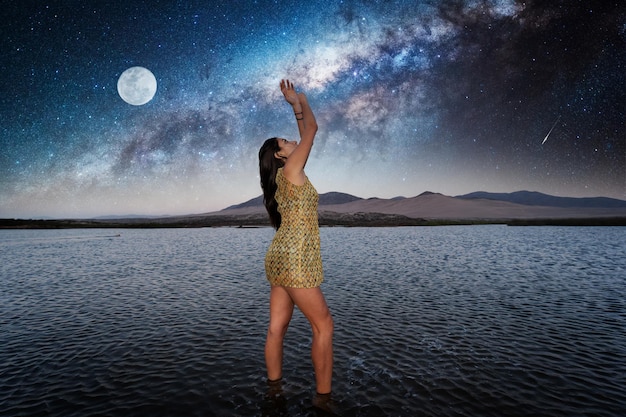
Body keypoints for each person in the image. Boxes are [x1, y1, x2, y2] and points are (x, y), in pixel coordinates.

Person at [258, 80, 335, 407]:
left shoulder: (284, 175)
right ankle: (324, 400)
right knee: (324, 326)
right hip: (294, 258)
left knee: (277, 328)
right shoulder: (290, 169)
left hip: (278, 256)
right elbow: (312, 130)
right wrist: (299, 102)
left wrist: (296, 109)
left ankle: (274, 392)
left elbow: (306, 135)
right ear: (280, 154)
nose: (293, 141)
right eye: (285, 141)